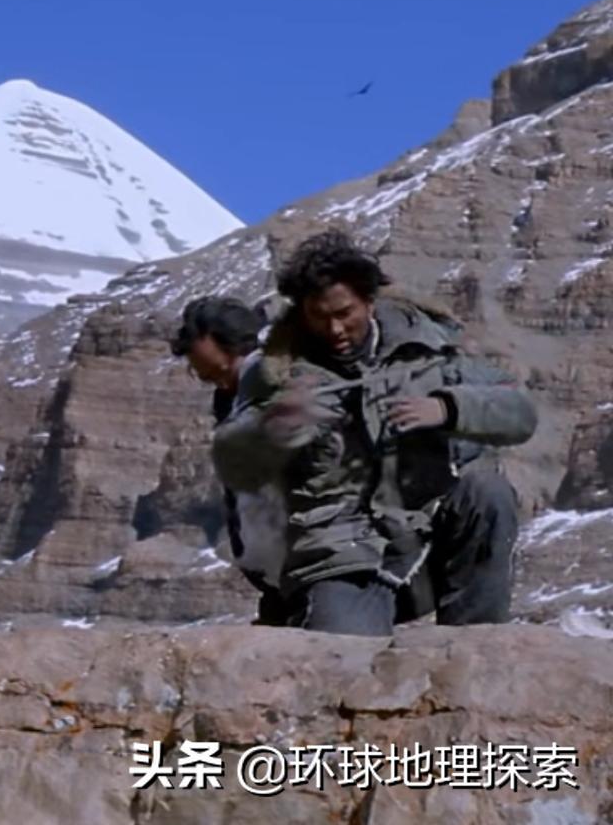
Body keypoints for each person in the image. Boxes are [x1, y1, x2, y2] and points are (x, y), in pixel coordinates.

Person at [212, 230, 536, 636]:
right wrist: (277, 428)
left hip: (426, 538)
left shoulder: (426, 346)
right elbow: (231, 460)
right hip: (338, 555)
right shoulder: (275, 374)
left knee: (486, 492)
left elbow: (520, 413)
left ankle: (474, 643)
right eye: (319, 317)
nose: (335, 329)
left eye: (344, 313)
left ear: (369, 301)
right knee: (343, 659)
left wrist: (448, 408)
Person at [170, 296, 295, 627]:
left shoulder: (281, 388)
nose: (221, 383)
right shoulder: (231, 398)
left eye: (222, 372)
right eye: (209, 378)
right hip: (279, 578)